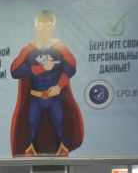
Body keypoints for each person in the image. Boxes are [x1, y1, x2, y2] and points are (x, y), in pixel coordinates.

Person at [9, 10, 84, 157]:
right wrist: (41, 68)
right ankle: (30, 154)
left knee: (61, 129)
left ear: (53, 28)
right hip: (35, 97)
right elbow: (15, 71)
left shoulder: (60, 48)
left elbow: (71, 67)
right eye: (41, 26)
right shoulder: (28, 50)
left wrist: (59, 86)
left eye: (48, 26)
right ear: (36, 28)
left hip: (54, 97)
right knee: (30, 129)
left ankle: (62, 153)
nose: (44, 29)